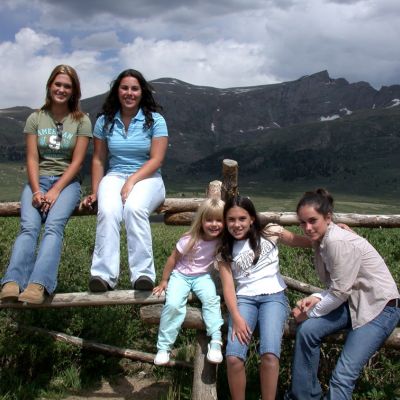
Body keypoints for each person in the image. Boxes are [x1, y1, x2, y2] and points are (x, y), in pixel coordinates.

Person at [285, 188, 400, 400]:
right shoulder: (323, 239)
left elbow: (339, 292)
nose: (307, 228)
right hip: (353, 302)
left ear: (327, 217)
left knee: (343, 375)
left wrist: (308, 313)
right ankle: (304, 396)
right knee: (308, 332)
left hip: (379, 308)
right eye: (302, 222)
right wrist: (316, 298)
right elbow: (340, 286)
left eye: (312, 221)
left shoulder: (336, 241)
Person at [0, 65, 92, 305]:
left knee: (53, 226)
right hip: (37, 181)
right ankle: (12, 282)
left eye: (67, 86)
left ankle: (39, 284)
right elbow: (32, 158)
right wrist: (37, 190)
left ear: (74, 91)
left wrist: (55, 190)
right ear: (50, 86)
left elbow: (78, 162)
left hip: (67, 183)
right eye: (58, 84)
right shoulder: (35, 118)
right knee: (29, 226)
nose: (61, 89)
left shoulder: (82, 121)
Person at [82, 69, 168, 292]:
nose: (129, 93)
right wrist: (95, 191)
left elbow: (157, 159)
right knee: (108, 210)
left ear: (142, 92)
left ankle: (143, 275)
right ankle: (103, 276)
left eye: (134, 88)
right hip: (114, 175)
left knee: (134, 209)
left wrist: (132, 180)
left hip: (148, 177)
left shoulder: (155, 121)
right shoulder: (104, 121)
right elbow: (99, 159)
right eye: (124, 88)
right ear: (117, 91)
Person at [218, 195, 311, 400]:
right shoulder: (224, 249)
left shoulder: (270, 233)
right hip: (243, 300)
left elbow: (303, 241)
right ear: (225, 221)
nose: (237, 224)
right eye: (231, 219)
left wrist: (331, 232)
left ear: (252, 218)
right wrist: (237, 317)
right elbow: (228, 288)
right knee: (234, 357)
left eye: (242, 218)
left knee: (269, 354)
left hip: (274, 297)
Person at [152, 198, 225, 365]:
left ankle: (215, 341)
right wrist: (164, 280)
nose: (214, 224)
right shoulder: (190, 239)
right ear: (201, 221)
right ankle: (164, 347)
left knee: (211, 300)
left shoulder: (221, 241)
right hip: (181, 276)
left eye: (219, 220)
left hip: (202, 277)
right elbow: (173, 259)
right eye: (209, 220)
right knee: (173, 304)